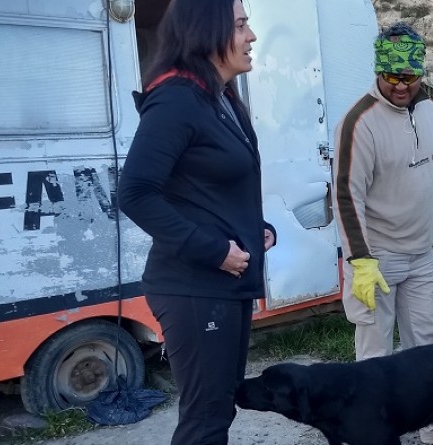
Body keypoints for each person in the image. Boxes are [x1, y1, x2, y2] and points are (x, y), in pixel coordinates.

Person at [118, 0, 275, 443]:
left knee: (218, 409)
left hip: (224, 283)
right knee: (205, 420)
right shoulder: (176, 98)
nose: (251, 37)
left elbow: (207, 190)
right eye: (241, 26)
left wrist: (255, 229)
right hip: (194, 285)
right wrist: (215, 250)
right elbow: (135, 193)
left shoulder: (221, 97)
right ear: (208, 33)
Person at [331, 22, 433, 444]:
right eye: (391, 76)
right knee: (374, 354)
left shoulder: (431, 112)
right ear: (378, 70)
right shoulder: (359, 123)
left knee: (428, 346)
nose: (400, 86)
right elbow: (346, 197)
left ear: (421, 71)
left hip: (420, 255)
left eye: (409, 76)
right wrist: (360, 261)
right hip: (375, 258)